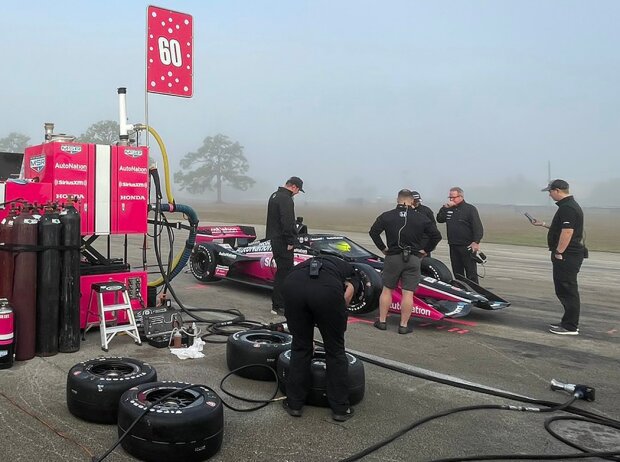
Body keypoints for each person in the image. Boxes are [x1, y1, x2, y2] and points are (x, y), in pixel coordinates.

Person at [280, 255, 356, 421]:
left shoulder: (304, 264)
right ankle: (340, 408)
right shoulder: (349, 271)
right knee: (335, 350)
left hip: (293, 286)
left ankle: (294, 404)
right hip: (327, 291)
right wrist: (338, 314)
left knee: (300, 346)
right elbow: (348, 295)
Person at [369, 189, 442, 334]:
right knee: (408, 293)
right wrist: (425, 250)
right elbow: (436, 236)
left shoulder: (387, 216)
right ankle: (403, 325)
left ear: (397, 200)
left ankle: (382, 321)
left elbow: (373, 232)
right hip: (413, 258)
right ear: (412, 201)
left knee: (387, 289)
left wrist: (383, 248)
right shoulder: (421, 217)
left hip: (393, 257)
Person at [530, 179, 586, 335]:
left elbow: (567, 232)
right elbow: (560, 227)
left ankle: (570, 326)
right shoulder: (567, 206)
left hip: (567, 255)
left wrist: (559, 252)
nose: (549, 194)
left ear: (557, 191)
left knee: (567, 290)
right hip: (569, 254)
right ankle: (567, 322)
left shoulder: (567, 208)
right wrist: (542, 224)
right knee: (564, 289)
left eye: (550, 191)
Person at [266, 176, 304, 315]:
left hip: (275, 239)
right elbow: (287, 222)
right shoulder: (286, 199)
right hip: (282, 241)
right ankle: (279, 305)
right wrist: (290, 241)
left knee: (282, 272)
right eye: (298, 190)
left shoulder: (275, 195)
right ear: (293, 186)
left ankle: (278, 304)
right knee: (285, 273)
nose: (297, 193)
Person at [436, 187, 484, 283]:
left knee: (471, 273)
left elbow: (478, 227)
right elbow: (440, 219)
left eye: (453, 197)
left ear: (461, 196)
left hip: (467, 246)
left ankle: (475, 292)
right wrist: (445, 208)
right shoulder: (448, 209)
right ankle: (460, 291)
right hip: (453, 245)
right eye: (450, 197)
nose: (451, 200)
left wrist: (476, 242)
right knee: (457, 272)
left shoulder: (470, 209)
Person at [411, 190, 438, 257]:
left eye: (417, 201)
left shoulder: (426, 210)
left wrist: (432, 244)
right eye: (414, 201)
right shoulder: (406, 210)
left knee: (425, 261)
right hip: (411, 241)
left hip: (424, 241)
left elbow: (433, 227)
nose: (416, 203)